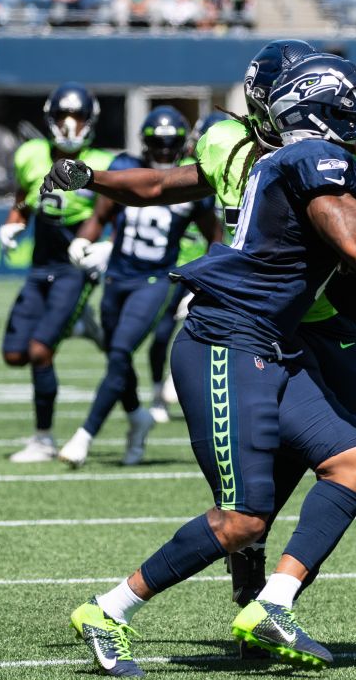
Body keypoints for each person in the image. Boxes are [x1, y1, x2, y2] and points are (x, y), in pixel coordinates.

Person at [44, 52, 356, 675]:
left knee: (355, 464)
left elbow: (346, 287)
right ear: (318, 113)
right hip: (227, 340)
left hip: (276, 342)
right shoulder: (308, 159)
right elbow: (355, 243)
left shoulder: (296, 159)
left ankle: (271, 606)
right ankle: (110, 609)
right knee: (243, 518)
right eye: (354, 110)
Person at [56, 107, 222, 468]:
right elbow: (100, 216)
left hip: (155, 280)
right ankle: (137, 417)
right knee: (117, 355)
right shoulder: (124, 167)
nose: (164, 153)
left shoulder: (192, 183)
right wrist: (82, 241)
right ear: (145, 144)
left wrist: (202, 285)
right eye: (157, 145)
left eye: (170, 145)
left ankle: (84, 435)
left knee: (119, 353)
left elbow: (216, 239)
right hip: (116, 276)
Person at [0, 83, 116, 462]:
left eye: (78, 117)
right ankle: (80, 323)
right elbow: (22, 199)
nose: (70, 125)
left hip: (73, 268)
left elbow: (107, 213)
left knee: (39, 351)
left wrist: (99, 245)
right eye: (64, 117)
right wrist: (13, 222)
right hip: (39, 266)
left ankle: (43, 438)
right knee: (14, 355)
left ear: (90, 121)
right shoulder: (30, 154)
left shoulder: (101, 161)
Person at [145, 111, 229, 424]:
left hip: (208, 267)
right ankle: (157, 391)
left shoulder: (242, 174)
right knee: (161, 333)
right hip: (175, 266)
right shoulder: (185, 174)